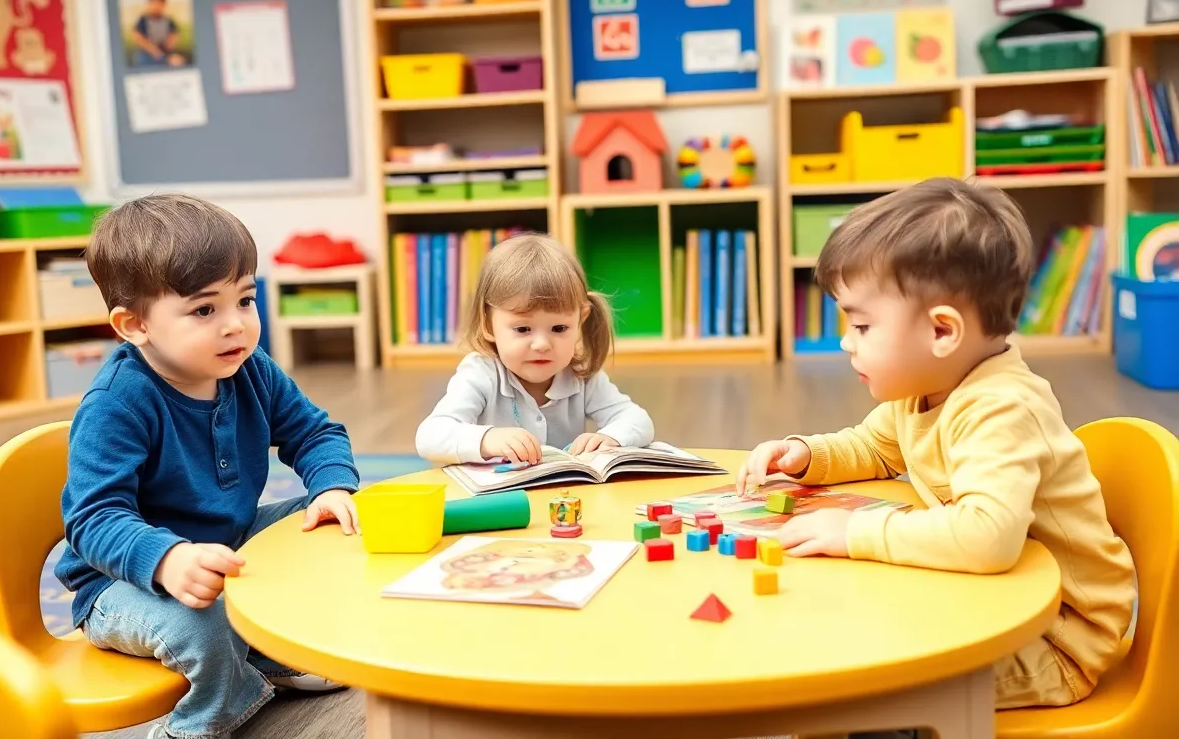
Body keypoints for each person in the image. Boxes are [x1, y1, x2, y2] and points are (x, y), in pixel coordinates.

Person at [736, 178, 1135, 716]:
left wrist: (855, 532)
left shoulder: (1000, 408)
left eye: (862, 325)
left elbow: (987, 537)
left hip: (1055, 637)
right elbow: (875, 448)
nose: (846, 341)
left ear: (942, 332)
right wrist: (806, 455)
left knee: (855, 677)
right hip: (993, 602)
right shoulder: (925, 387)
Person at [54, 194, 361, 739]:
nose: (235, 325)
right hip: (120, 584)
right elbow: (93, 519)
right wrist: (167, 558)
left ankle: (264, 657)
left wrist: (331, 488)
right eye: (204, 310)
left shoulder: (251, 369)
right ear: (134, 325)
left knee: (332, 528)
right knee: (205, 623)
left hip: (227, 542)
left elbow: (315, 432)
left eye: (245, 300)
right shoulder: (116, 403)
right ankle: (199, 724)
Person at [416, 233, 654, 465]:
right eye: (523, 329)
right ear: (488, 325)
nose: (542, 344)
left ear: (580, 320)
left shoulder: (582, 374)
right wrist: (487, 440)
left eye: (559, 328)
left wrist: (610, 437)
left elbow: (638, 420)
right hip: (497, 491)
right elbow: (430, 436)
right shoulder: (481, 373)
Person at [131, 0, 185, 67]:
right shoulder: (143, 20)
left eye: (159, 4)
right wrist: (154, 51)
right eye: (154, 3)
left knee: (178, 60)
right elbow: (138, 37)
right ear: (149, 3)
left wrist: (167, 48)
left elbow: (174, 36)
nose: (156, 7)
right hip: (147, 53)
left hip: (164, 52)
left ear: (164, 4)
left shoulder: (168, 21)